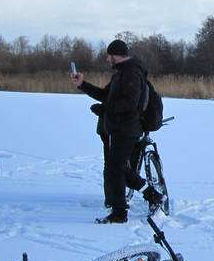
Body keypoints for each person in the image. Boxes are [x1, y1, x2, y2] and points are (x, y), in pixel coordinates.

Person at [70, 39, 164, 224]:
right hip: (120, 127)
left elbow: (130, 103)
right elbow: (106, 96)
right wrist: (83, 85)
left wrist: (105, 110)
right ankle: (149, 196)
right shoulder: (121, 73)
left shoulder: (131, 73)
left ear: (115, 55)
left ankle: (121, 213)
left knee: (116, 169)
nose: (107, 59)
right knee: (117, 169)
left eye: (108, 56)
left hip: (127, 128)